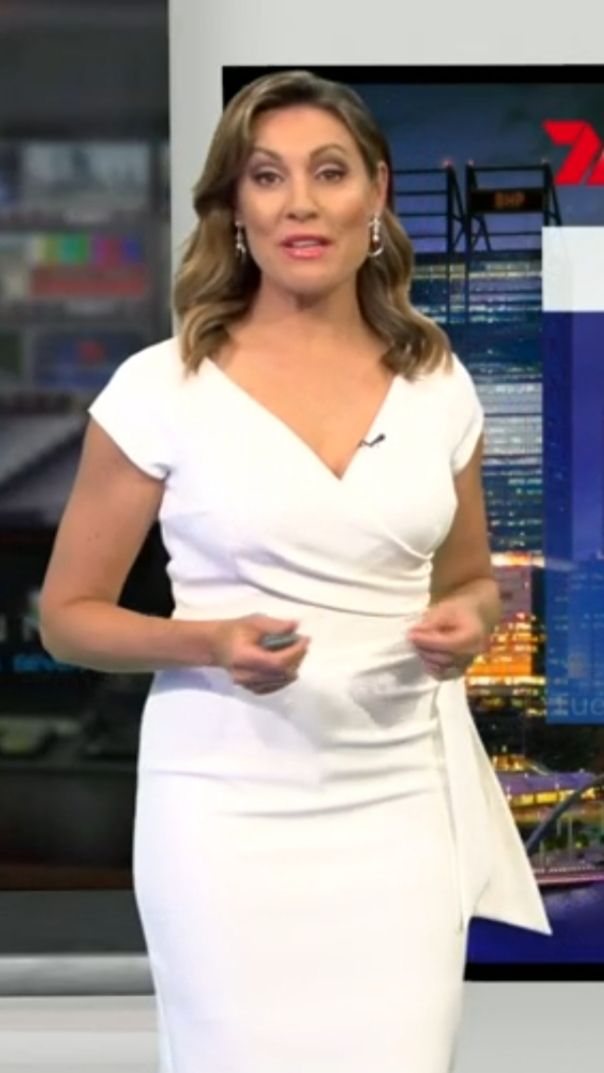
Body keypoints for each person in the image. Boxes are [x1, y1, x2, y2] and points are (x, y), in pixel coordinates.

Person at [39, 69, 552, 1073]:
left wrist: (467, 619)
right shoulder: (160, 387)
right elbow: (68, 615)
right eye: (267, 176)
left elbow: (472, 580)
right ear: (235, 205)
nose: (299, 203)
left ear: (377, 192)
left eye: (329, 172)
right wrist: (210, 641)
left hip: (400, 804)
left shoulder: (438, 382)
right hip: (224, 810)